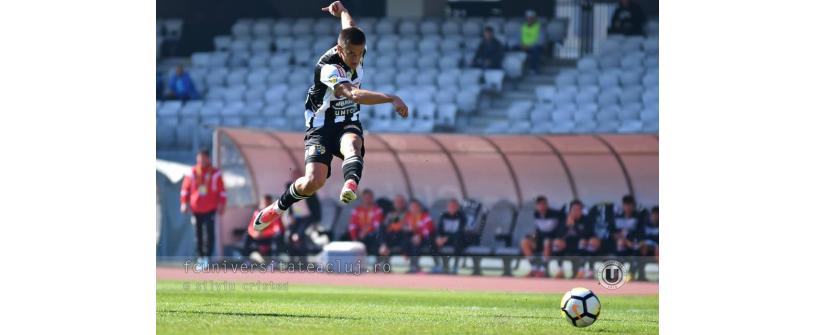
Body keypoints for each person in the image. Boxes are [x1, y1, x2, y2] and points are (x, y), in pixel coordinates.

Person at [252, 1, 409, 234]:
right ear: (339, 49)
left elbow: (350, 28)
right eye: (351, 54)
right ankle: (278, 207)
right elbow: (352, 94)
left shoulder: (354, 47)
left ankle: (350, 183)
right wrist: (391, 97)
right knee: (314, 181)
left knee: (353, 145)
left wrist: (343, 12)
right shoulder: (329, 68)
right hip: (321, 126)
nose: (356, 59)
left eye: (359, 53)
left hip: (347, 120)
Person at [180, 149, 226, 266]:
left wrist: (221, 204)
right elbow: (185, 189)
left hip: (210, 207)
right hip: (196, 208)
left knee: (209, 233)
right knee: (198, 234)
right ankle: (200, 257)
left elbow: (222, 191)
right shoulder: (193, 172)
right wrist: (184, 203)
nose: (201, 160)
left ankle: (207, 257)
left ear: (208, 158)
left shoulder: (215, 173)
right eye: (199, 158)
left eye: (203, 158)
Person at [285, 169, 322, 265]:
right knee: (289, 236)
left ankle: (304, 261)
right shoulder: (290, 187)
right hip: (296, 218)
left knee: (300, 236)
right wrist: (290, 215)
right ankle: (292, 261)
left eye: (298, 176)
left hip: (308, 217)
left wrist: (317, 219)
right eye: (294, 176)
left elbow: (316, 204)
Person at [520, 196, 563, 278]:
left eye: (543, 204)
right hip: (539, 240)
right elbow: (537, 230)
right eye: (539, 205)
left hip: (552, 241)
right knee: (524, 242)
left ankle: (543, 269)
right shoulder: (536, 215)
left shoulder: (555, 215)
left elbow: (558, 230)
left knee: (546, 241)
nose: (541, 207)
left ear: (547, 205)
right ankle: (534, 268)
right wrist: (532, 237)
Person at [553, 199, 593, 278]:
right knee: (557, 242)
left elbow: (586, 235)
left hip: (580, 245)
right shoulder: (565, 219)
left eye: (579, 209)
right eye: (574, 209)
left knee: (583, 242)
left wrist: (574, 226)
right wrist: (567, 226)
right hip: (567, 244)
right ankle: (560, 270)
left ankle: (582, 270)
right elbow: (558, 234)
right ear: (570, 210)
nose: (576, 212)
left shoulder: (586, 220)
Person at [244, 195, 287, 261]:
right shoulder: (257, 213)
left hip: (269, 237)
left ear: (270, 203)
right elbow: (250, 227)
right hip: (258, 237)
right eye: (263, 203)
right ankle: (246, 261)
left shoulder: (275, 213)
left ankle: (274, 262)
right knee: (247, 236)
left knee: (277, 238)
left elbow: (277, 229)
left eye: (266, 203)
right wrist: (255, 234)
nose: (264, 205)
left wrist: (263, 234)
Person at [433, 198, 467, 273]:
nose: (452, 207)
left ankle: (455, 266)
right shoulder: (444, 215)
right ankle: (438, 265)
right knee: (433, 241)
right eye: (450, 206)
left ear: (457, 207)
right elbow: (439, 229)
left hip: (456, 239)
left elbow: (460, 231)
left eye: (454, 206)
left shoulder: (462, 217)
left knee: (458, 241)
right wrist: (438, 238)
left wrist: (446, 238)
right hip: (444, 239)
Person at [403, 200, 435, 273]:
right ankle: (412, 265)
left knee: (416, 243)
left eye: (416, 207)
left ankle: (415, 266)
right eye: (412, 207)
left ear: (420, 207)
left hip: (426, 239)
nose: (414, 209)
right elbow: (404, 227)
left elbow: (428, 229)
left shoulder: (425, 216)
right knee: (407, 241)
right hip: (413, 239)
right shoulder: (408, 216)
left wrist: (419, 236)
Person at [349, 189, 384, 255]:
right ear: (362, 198)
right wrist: (354, 238)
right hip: (360, 235)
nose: (367, 199)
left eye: (369, 197)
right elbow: (352, 226)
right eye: (365, 197)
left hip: (373, 235)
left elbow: (377, 225)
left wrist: (366, 231)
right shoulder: (356, 210)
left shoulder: (377, 209)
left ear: (372, 198)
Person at [637, 206, 658, 280]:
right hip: (646, 246)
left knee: (658, 251)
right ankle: (640, 275)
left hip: (656, 247)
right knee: (642, 248)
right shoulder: (645, 224)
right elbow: (641, 237)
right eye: (654, 214)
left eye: (657, 215)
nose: (655, 216)